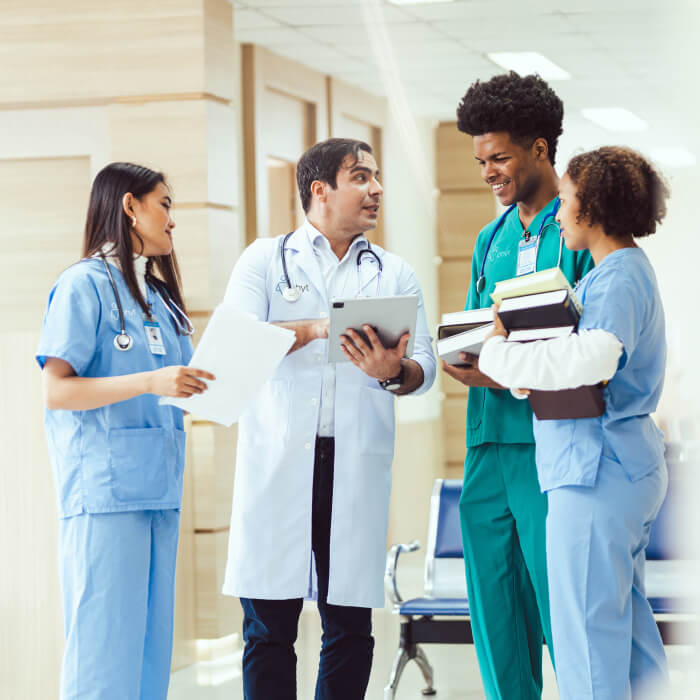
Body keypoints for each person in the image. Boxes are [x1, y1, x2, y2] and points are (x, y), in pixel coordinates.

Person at [221, 137, 436, 699]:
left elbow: (426, 365)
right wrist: (319, 328)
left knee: (350, 625)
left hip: (354, 460)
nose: (377, 189)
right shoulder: (264, 260)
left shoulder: (395, 273)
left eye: (377, 178)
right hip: (280, 459)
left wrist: (394, 371)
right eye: (361, 177)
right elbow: (235, 346)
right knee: (268, 626)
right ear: (320, 190)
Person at [479, 146, 670, 699]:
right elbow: (576, 361)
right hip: (618, 469)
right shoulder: (620, 274)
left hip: (596, 474)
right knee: (627, 634)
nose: (558, 212)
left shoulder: (617, 278)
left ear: (594, 207)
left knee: (586, 636)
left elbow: (593, 358)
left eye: (564, 200)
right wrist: (523, 363)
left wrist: (497, 353)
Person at [36, 162, 214, 700]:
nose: (172, 220)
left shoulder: (157, 297)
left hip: (158, 492)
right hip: (105, 496)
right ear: (130, 207)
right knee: (102, 655)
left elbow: (179, 385)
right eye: (164, 204)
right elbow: (57, 390)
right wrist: (149, 381)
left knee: (148, 655)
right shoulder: (82, 286)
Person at [442, 72, 594, 699]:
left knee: (567, 621)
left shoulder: (583, 228)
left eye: (499, 157)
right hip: (486, 451)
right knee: (498, 628)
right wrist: (461, 357)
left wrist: (509, 365)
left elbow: (591, 351)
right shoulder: (491, 237)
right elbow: (483, 333)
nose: (488, 172)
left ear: (539, 148)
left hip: (552, 450)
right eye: (480, 160)